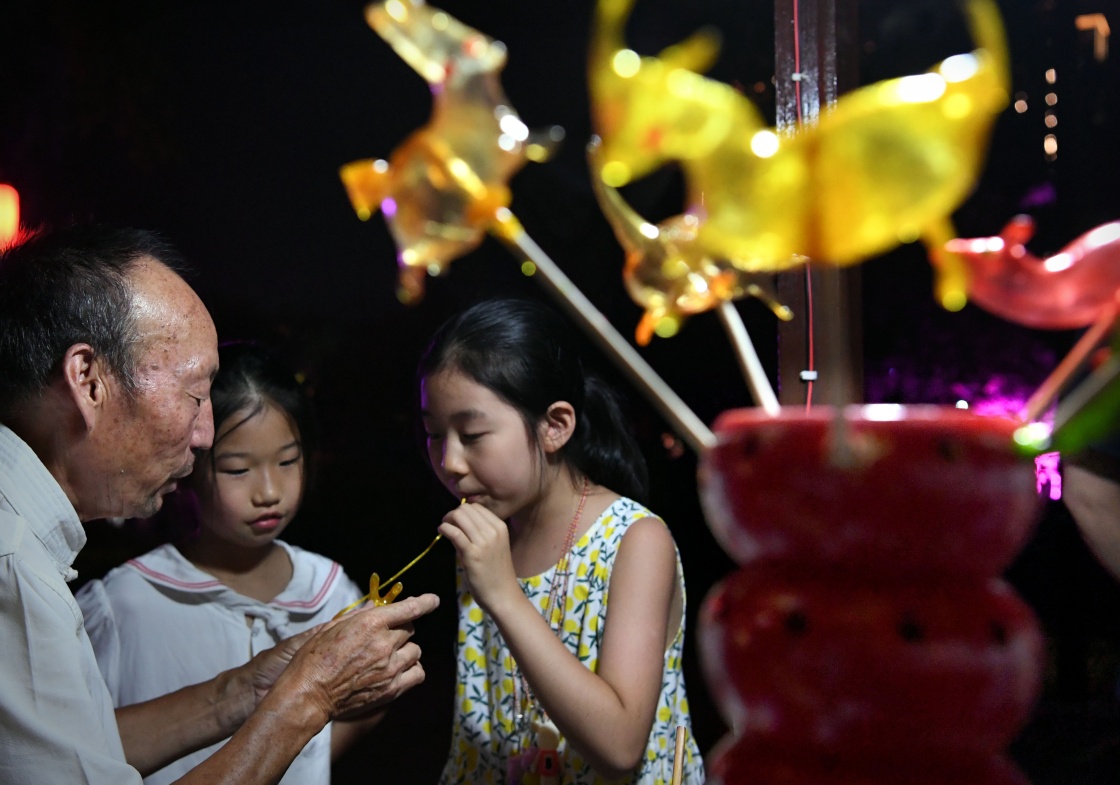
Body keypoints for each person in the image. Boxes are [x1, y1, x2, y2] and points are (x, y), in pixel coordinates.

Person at [0, 224, 438, 785]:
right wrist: (308, 696)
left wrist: (247, 689)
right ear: (88, 380)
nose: (205, 433)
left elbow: (83, 757)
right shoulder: (14, 571)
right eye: (194, 393)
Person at [418, 298, 704, 785]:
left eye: (472, 434)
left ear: (554, 427)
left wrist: (505, 596)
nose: (450, 462)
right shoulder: (489, 533)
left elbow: (619, 745)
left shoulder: (636, 541)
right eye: (433, 434)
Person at [75, 341, 378, 784]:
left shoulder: (330, 589)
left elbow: (371, 701)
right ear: (190, 465)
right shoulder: (125, 603)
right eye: (239, 469)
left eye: (288, 461)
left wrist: (308, 758)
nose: (269, 490)